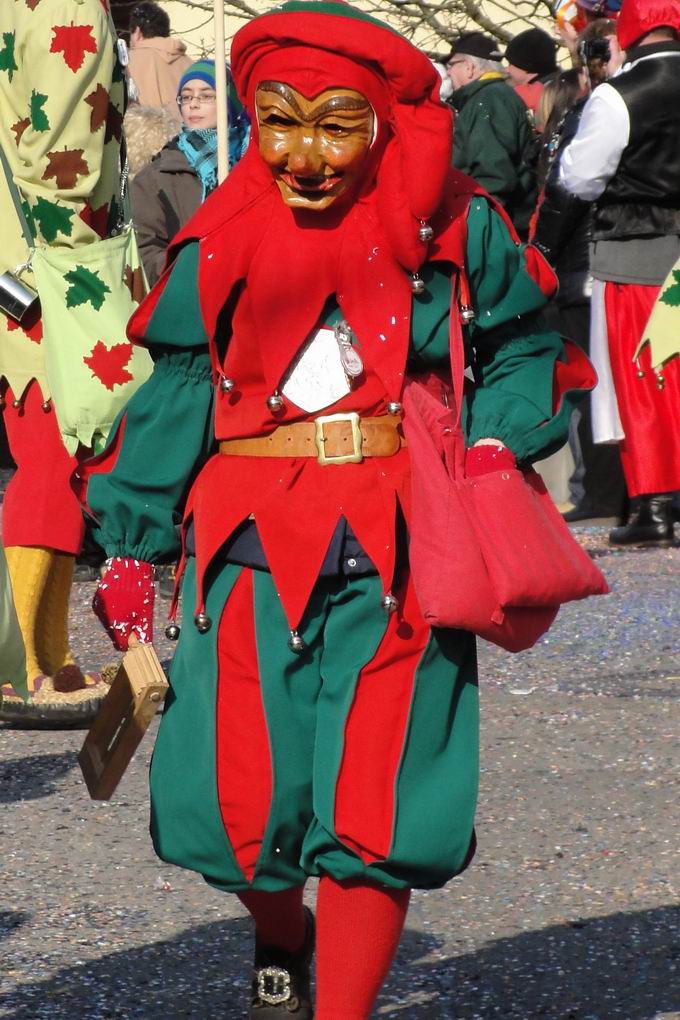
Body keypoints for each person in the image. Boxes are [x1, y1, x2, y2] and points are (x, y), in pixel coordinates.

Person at [83, 3, 591, 1016]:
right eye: (278, 119)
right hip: (244, 551)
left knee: (382, 799)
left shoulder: (450, 224)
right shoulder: (220, 234)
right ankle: (282, 932)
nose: (304, 153)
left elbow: (523, 343)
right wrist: (131, 545)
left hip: (403, 549)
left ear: (378, 124)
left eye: (333, 122)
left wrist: (491, 437)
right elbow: (181, 386)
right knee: (224, 800)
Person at [0, 0, 127, 722]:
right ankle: (20, 667)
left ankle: (45, 661)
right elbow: (61, 156)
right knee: (56, 454)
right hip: (54, 266)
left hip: (16, 263)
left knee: (48, 450)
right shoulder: (66, 3)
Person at [560, 0, 680, 545]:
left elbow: (581, 177)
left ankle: (658, 506)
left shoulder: (620, 93)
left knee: (645, 380)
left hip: (638, 248)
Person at [533, 68, 628, 522]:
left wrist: (541, 256)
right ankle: (623, 489)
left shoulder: (590, 117)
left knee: (592, 384)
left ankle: (606, 491)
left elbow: (570, 191)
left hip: (584, 268)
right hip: (608, 262)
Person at [131, 59, 250, 286]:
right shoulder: (156, 177)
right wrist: (195, 268)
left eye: (206, 95)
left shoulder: (253, 164)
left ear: (230, 101)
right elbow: (146, 253)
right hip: (188, 298)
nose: (193, 104)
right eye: (186, 96)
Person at [446, 31, 537, 238]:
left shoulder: (488, 100)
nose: (449, 73)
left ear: (469, 67)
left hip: (493, 225)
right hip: (500, 220)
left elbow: (494, 175)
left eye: (451, 65)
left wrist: (478, 228)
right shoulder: (493, 96)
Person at [127, 1, 192, 126]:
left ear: (138, 32)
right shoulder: (191, 64)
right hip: (190, 141)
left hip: (144, 138)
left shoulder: (128, 62)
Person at [504, 27, 560, 113]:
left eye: (511, 64)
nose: (507, 69)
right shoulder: (565, 85)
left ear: (526, 67)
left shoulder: (534, 96)